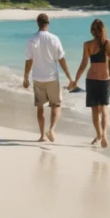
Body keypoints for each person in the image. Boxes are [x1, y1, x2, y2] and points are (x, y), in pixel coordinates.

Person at [69, 18, 110, 147]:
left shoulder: (87, 44)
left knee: (95, 110)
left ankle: (99, 135)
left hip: (91, 79)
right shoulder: (108, 43)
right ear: (103, 30)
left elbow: (83, 64)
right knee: (104, 109)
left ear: (92, 31)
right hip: (104, 80)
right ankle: (104, 136)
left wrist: (76, 80)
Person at [22, 13, 72, 143]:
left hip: (38, 78)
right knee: (56, 105)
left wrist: (25, 78)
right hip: (52, 78)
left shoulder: (32, 39)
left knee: (40, 107)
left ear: (37, 23)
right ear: (48, 23)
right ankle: (52, 129)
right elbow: (61, 59)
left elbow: (28, 61)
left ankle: (42, 136)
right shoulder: (54, 38)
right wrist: (69, 76)